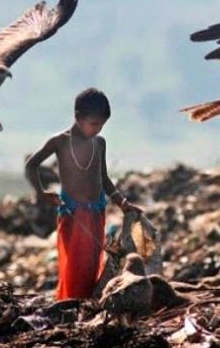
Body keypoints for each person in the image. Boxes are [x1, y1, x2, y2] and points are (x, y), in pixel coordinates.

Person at [25, 88, 141, 300]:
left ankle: (88, 303)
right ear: (78, 117)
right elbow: (31, 165)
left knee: (92, 263)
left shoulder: (99, 143)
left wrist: (122, 202)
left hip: (97, 212)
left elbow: (103, 178)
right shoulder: (60, 141)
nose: (97, 129)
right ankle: (72, 303)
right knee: (75, 266)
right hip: (72, 213)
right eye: (94, 124)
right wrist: (41, 192)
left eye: (102, 125)